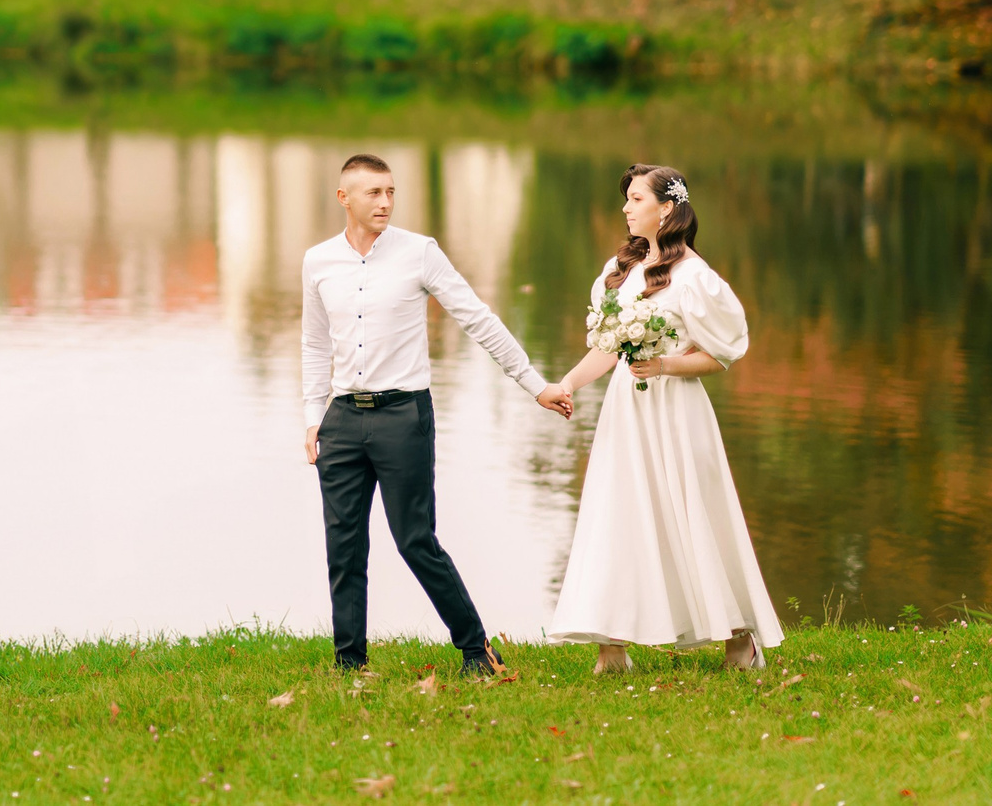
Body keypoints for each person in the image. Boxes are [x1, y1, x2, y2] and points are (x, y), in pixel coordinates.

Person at [301, 152, 574, 676]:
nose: (385, 202)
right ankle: (349, 664)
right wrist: (313, 416)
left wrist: (534, 385)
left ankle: (477, 650)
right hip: (341, 419)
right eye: (373, 193)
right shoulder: (318, 261)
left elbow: (478, 319)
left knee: (415, 540)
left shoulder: (419, 253)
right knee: (344, 544)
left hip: (403, 417)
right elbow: (315, 343)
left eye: (390, 192)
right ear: (344, 198)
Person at [547, 162, 782, 674]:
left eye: (635, 199)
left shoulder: (695, 278)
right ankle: (612, 648)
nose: (626, 208)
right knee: (618, 512)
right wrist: (565, 384)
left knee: (695, 513)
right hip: (626, 412)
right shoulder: (620, 272)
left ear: (666, 208)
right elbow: (609, 350)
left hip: (677, 411)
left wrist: (665, 364)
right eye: (627, 199)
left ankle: (738, 638)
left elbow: (720, 355)